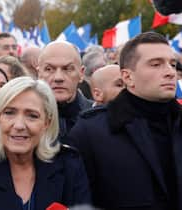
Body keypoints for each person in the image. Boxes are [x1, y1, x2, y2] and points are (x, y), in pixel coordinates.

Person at [69, 32, 182, 210]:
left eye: (172, 64)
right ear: (128, 77)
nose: (170, 72)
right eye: (156, 64)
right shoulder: (91, 133)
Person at [0, 76, 91, 210]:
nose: (19, 125)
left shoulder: (69, 166)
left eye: (32, 116)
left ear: (47, 123)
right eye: (9, 113)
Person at [38, 41, 93, 144]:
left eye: (68, 69)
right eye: (49, 69)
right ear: (39, 73)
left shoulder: (97, 118)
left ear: (81, 74)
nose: (58, 78)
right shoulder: (26, 120)